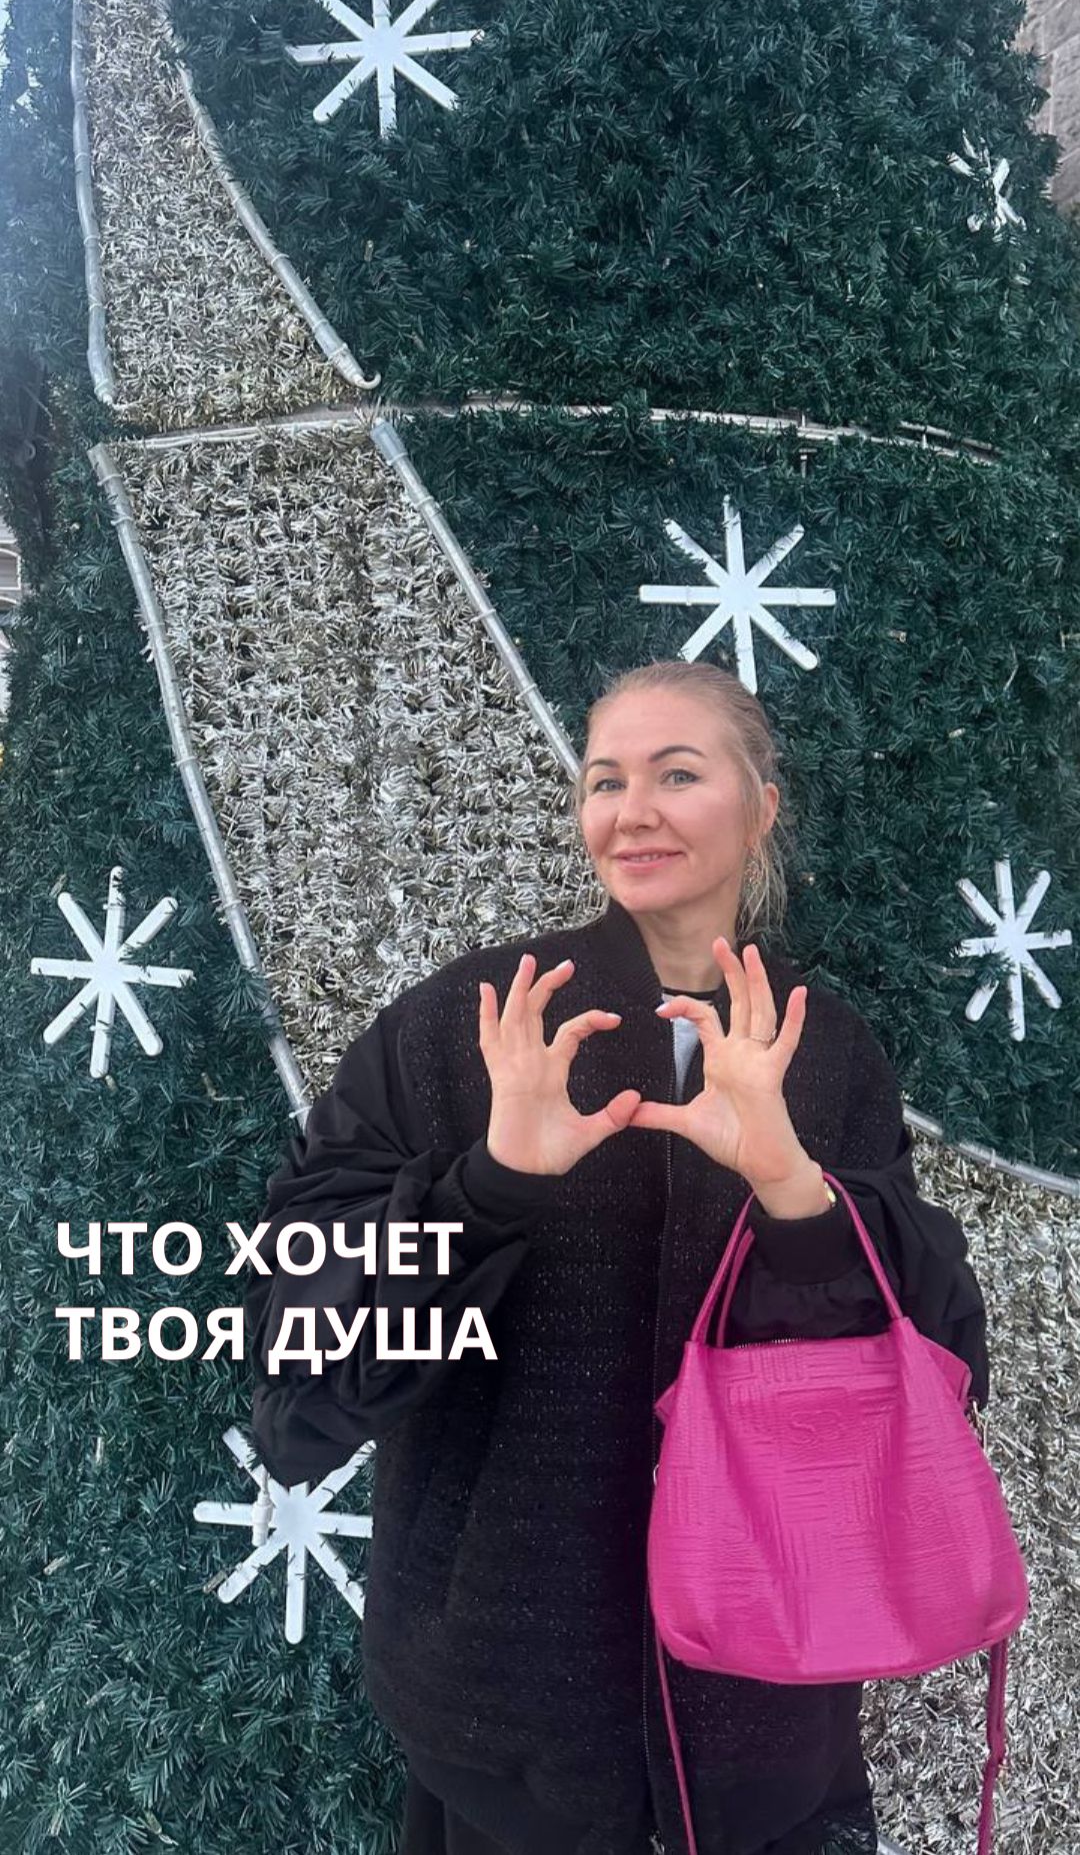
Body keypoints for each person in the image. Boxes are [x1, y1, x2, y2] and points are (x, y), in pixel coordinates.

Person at [244, 658, 989, 1855]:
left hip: (764, 1717)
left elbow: (937, 1363)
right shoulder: (467, 1028)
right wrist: (491, 1185)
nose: (632, 812)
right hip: (509, 1731)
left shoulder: (829, 1053)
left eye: (676, 774)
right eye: (605, 780)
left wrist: (793, 1189)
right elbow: (301, 1388)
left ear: (761, 806)